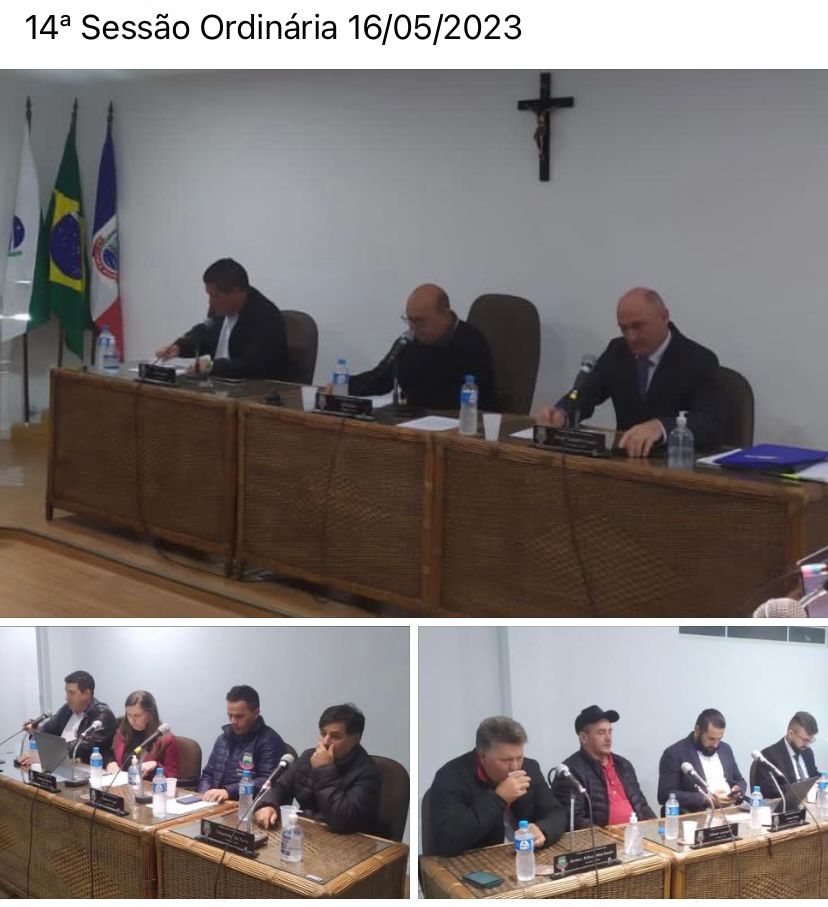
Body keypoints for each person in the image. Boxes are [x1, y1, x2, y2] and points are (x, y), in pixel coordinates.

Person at [537, 287, 727, 457]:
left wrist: (661, 427)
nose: (631, 337)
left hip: (673, 464)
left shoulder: (698, 359)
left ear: (664, 317)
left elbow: (710, 422)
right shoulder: (617, 351)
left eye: (638, 326)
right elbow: (584, 393)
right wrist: (562, 413)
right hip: (624, 460)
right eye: (624, 328)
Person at [428, 715, 566, 857]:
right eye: (506, 760)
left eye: (519, 758)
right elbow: (448, 840)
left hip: (525, 856)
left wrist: (543, 829)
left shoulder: (529, 768)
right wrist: (498, 799)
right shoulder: (451, 777)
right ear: (482, 756)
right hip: (476, 860)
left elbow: (557, 812)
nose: (515, 767)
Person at [347, 283, 497, 410]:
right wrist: (343, 385)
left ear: (445, 314)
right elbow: (380, 379)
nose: (413, 327)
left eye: (419, 321)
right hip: (413, 422)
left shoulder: (471, 342)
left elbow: (479, 399)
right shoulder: (408, 342)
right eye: (409, 320)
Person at [254, 703, 381, 834]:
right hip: (308, 832)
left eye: (335, 736)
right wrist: (267, 805)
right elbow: (279, 786)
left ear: (355, 739)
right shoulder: (308, 757)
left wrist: (324, 769)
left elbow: (342, 821)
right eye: (323, 733)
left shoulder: (368, 773)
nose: (326, 741)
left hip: (348, 841)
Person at [155, 258, 289, 379]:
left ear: (236, 292)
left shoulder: (266, 317)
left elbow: (251, 366)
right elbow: (204, 333)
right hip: (219, 385)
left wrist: (211, 366)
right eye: (209, 295)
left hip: (254, 390)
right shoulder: (218, 309)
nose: (210, 302)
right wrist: (180, 347)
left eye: (215, 296)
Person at [553, 705, 655, 827]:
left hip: (636, 833)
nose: (608, 738)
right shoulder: (570, 772)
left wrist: (657, 828)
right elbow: (575, 820)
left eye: (610, 732)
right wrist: (608, 836)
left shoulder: (623, 765)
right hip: (604, 837)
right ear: (584, 738)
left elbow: (642, 806)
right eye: (601, 733)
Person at [198, 685, 287, 803]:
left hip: (247, 806)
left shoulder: (269, 741)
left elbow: (268, 782)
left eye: (239, 716)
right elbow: (208, 774)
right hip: (215, 804)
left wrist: (228, 791)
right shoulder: (223, 739)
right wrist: (203, 795)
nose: (233, 721)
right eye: (230, 715)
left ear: (256, 713)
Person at [658, 709, 746, 812]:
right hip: (699, 813)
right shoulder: (675, 753)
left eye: (719, 739)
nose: (716, 745)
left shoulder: (725, 749)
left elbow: (740, 780)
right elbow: (665, 795)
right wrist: (705, 799)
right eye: (711, 739)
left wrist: (737, 789)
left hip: (730, 810)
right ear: (697, 731)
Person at [20, 670, 116, 765]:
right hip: (60, 765)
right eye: (67, 692)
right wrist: (36, 731)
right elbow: (48, 731)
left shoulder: (102, 715)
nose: (66, 698)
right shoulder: (67, 710)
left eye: (71, 693)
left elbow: (82, 746)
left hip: (90, 768)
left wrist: (45, 755)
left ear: (87, 694)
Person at [106, 690, 180, 779]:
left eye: (137, 715)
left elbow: (172, 776)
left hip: (148, 785)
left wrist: (156, 765)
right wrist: (111, 763)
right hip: (121, 783)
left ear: (150, 714)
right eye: (129, 715)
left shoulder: (166, 739)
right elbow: (112, 755)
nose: (132, 720)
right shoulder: (122, 732)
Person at [753, 711, 820, 798]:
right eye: (805, 740)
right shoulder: (769, 756)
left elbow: (814, 776)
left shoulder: (808, 752)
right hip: (788, 804)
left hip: (811, 803)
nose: (807, 745)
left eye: (811, 740)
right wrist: (799, 789)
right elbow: (767, 790)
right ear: (791, 734)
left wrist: (822, 780)